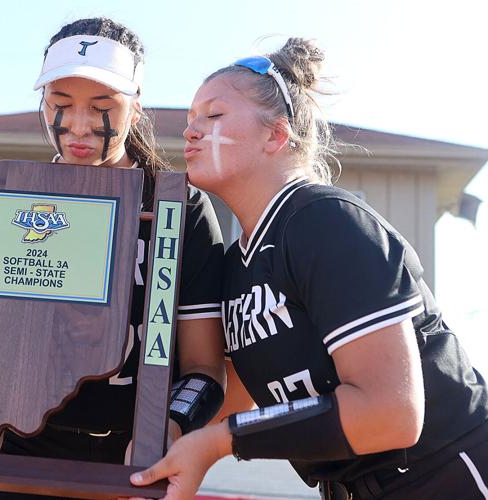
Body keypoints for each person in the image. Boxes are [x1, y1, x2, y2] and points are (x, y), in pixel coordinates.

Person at [129, 38, 488, 500]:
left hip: (446, 472)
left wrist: (220, 442)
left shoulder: (324, 220)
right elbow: (237, 398)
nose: (191, 130)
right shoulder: (237, 265)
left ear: (276, 135)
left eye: (213, 115)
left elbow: (392, 413)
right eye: (191, 118)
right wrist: (165, 438)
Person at [0, 18, 227, 500]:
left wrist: (168, 430)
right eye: (60, 104)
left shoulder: (179, 207)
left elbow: (205, 368)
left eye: (102, 107)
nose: (79, 126)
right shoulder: (11, 201)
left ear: (136, 107)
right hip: (22, 458)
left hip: (134, 463)